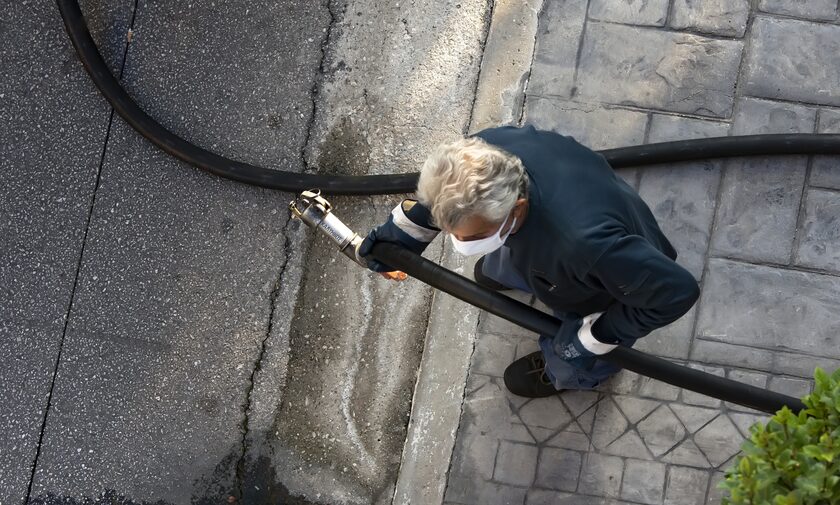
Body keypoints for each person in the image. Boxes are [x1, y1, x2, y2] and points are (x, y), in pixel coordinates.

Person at [358, 125, 699, 398]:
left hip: (598, 282)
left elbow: (676, 293)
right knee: (505, 262)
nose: (458, 243)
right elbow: (442, 203)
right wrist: (395, 239)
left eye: (472, 236)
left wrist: (593, 336)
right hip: (541, 252)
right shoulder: (488, 151)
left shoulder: (586, 247)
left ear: (517, 208)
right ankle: (517, 276)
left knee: (576, 351)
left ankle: (572, 373)